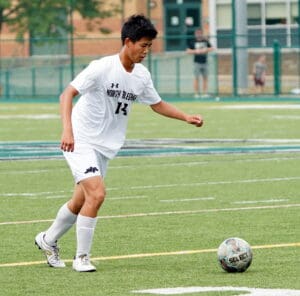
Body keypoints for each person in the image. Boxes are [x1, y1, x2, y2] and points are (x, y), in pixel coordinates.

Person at [35, 14, 204, 272]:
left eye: (149, 46)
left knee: (80, 201)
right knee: (98, 194)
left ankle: (47, 240)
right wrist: (67, 131)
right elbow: (67, 93)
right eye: (143, 45)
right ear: (128, 41)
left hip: (104, 147)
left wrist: (185, 117)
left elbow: (156, 104)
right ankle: (82, 258)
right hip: (80, 139)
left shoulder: (141, 76)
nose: (146, 51)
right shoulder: (102, 67)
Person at [186, 28, 214, 98]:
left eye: (200, 33)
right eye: (197, 33)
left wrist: (206, 50)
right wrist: (196, 51)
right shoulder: (193, 41)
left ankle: (205, 93)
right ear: (195, 34)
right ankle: (196, 93)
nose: (198, 35)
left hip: (205, 62)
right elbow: (188, 51)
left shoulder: (205, 41)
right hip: (197, 62)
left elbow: (212, 48)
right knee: (196, 78)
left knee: (205, 78)